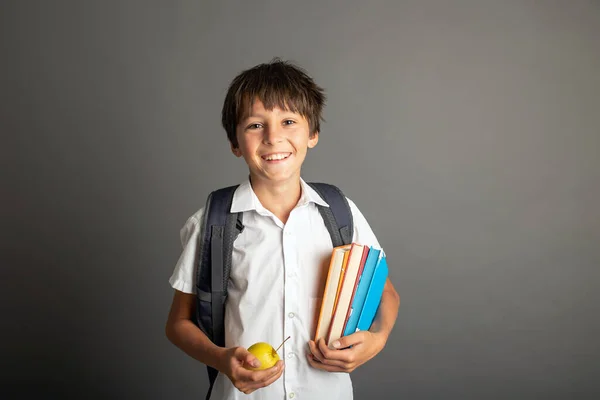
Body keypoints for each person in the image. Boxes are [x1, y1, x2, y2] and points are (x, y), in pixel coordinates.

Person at [165, 58, 400, 400]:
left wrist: (377, 340)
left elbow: (386, 292)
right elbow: (178, 323)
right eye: (255, 126)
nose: (273, 138)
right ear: (235, 144)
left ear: (313, 134)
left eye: (288, 121)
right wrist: (221, 358)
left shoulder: (339, 212)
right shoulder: (213, 222)